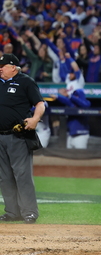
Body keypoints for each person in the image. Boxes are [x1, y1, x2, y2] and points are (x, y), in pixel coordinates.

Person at [0, 53, 45, 224]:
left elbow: (40, 104)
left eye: (2, 66)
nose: (0, 68)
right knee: (4, 177)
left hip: (18, 135)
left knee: (22, 175)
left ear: (13, 67)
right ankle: (12, 212)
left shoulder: (25, 81)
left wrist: (34, 119)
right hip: (0, 136)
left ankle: (29, 212)